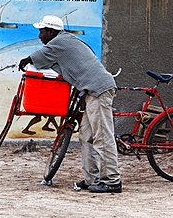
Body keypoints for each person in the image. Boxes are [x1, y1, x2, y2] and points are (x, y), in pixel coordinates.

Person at [18, 15, 121, 193]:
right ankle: (92, 179)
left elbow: (39, 56)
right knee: (86, 137)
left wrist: (26, 60)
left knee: (102, 137)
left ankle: (112, 181)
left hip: (99, 91)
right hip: (92, 92)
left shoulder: (60, 42)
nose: (40, 36)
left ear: (51, 31)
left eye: (42, 32)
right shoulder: (67, 40)